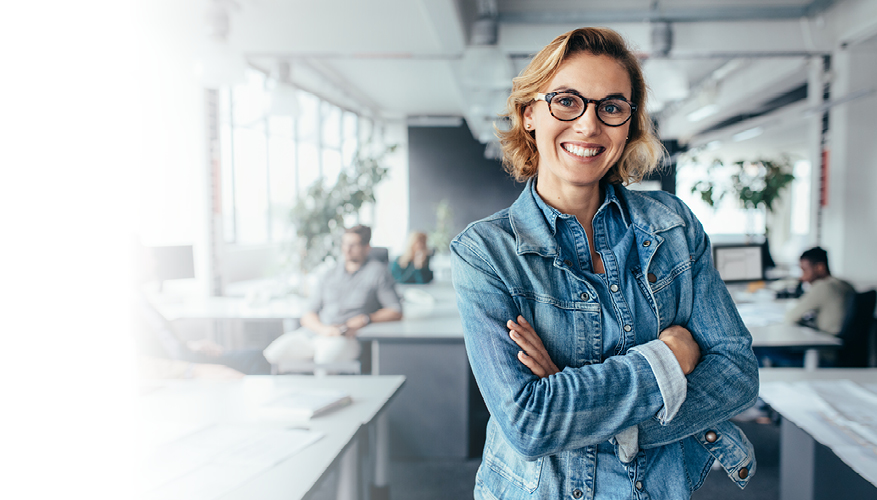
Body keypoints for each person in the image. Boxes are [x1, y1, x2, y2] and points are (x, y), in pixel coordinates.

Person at [450, 28, 759, 499]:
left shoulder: (673, 227)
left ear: (629, 124)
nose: (589, 126)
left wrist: (598, 417)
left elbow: (736, 373)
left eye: (611, 107)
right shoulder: (486, 253)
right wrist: (668, 359)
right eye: (567, 101)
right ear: (530, 113)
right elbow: (529, 423)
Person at [263, 225, 403, 366]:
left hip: (346, 337)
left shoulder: (377, 273)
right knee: (274, 353)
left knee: (325, 360)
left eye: (353, 245)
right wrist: (324, 330)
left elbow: (395, 310)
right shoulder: (329, 273)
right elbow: (308, 314)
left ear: (366, 248)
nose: (347, 250)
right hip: (317, 332)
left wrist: (366, 319)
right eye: (345, 244)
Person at [785, 246, 855, 334]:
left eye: (805, 270)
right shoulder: (845, 284)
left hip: (826, 341)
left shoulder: (822, 286)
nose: (802, 277)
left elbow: (790, 317)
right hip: (841, 341)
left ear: (820, 267)